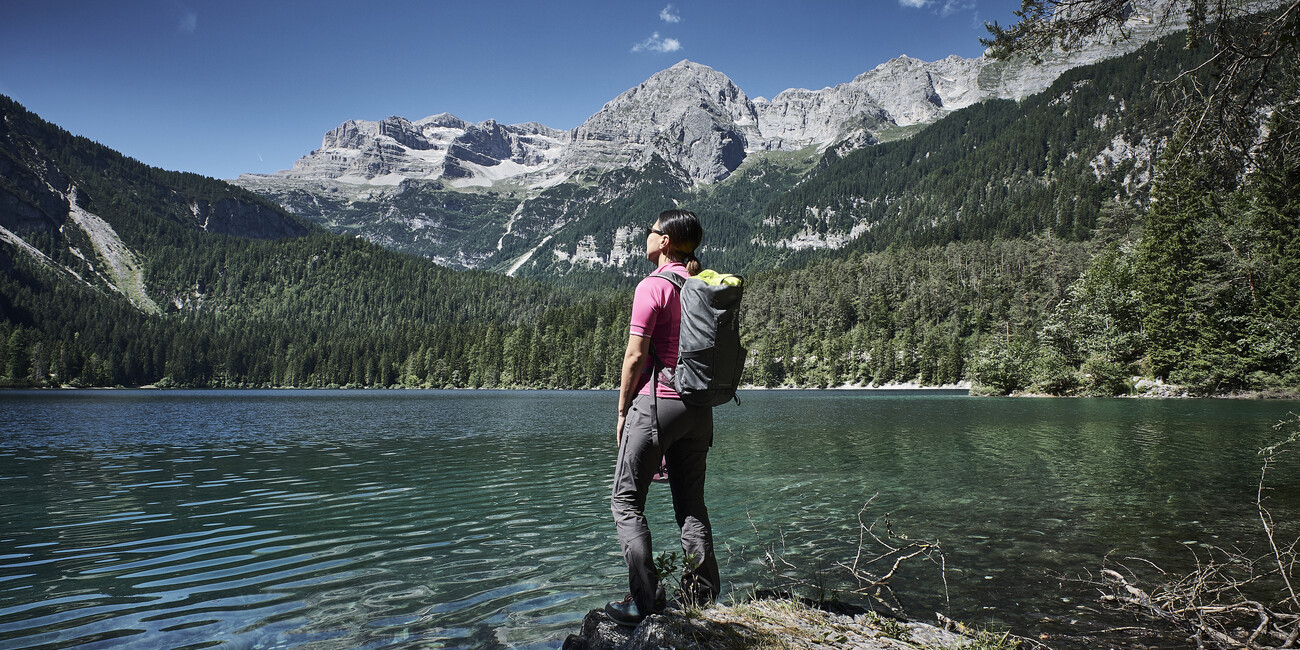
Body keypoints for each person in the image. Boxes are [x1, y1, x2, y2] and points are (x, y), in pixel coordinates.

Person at [606, 209, 721, 626]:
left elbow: (635, 356)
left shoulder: (652, 286)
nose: (647, 237)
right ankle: (701, 597)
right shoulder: (700, 284)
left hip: (658, 405)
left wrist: (623, 411)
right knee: (691, 505)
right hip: (699, 410)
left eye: (651, 232)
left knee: (625, 501)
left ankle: (645, 601)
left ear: (665, 241)